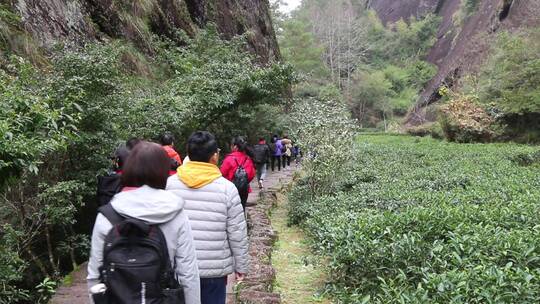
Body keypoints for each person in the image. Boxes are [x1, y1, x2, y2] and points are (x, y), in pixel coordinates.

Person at [88, 142, 200, 303]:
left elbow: (94, 277)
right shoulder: (175, 214)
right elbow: (188, 274)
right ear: (163, 172)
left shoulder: (107, 215)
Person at [166, 131, 249, 304]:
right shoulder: (227, 189)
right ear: (214, 156)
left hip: (179, 269)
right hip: (214, 271)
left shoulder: (169, 185)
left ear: (188, 153)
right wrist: (241, 266)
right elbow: (237, 231)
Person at [220, 136, 256, 208]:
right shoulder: (248, 159)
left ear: (235, 146)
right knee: (242, 208)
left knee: (230, 209)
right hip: (244, 189)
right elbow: (252, 174)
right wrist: (243, 182)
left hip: (229, 190)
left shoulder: (228, 159)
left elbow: (221, 174)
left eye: (231, 145)